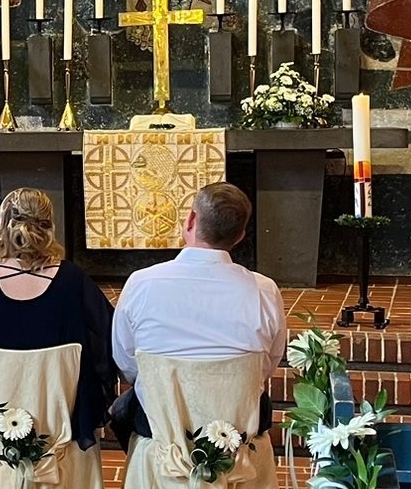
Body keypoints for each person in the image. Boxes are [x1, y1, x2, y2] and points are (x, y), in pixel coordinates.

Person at [109, 182, 289, 450]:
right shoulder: (265, 291)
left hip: (162, 428)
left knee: (125, 408)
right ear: (240, 235)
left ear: (191, 220)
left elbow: (128, 363)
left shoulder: (141, 284)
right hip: (236, 430)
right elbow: (265, 368)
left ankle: (152, 476)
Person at [0, 189, 117, 453]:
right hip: (61, 434)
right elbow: (105, 351)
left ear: (2, 225)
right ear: (49, 226)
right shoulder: (74, 283)